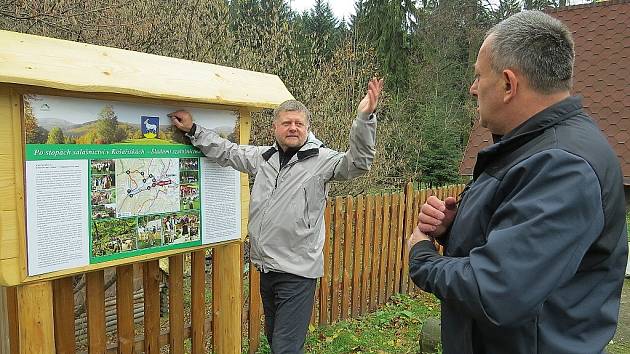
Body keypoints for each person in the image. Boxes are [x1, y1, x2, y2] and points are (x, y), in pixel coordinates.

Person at [407, 10, 627, 354]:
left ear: (509, 84)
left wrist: (421, 256)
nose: (473, 88)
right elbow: (523, 243)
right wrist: (455, 228)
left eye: (479, 76)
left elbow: (496, 290)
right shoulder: (529, 148)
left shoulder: (563, 166)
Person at [169, 78, 383, 353]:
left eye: (298, 123)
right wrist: (194, 130)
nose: (293, 127)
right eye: (287, 123)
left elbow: (358, 162)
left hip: (298, 273)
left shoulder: (323, 161)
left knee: (284, 348)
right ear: (275, 128)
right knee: (278, 341)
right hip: (267, 269)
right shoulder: (264, 158)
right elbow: (228, 152)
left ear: (307, 128)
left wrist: (365, 118)